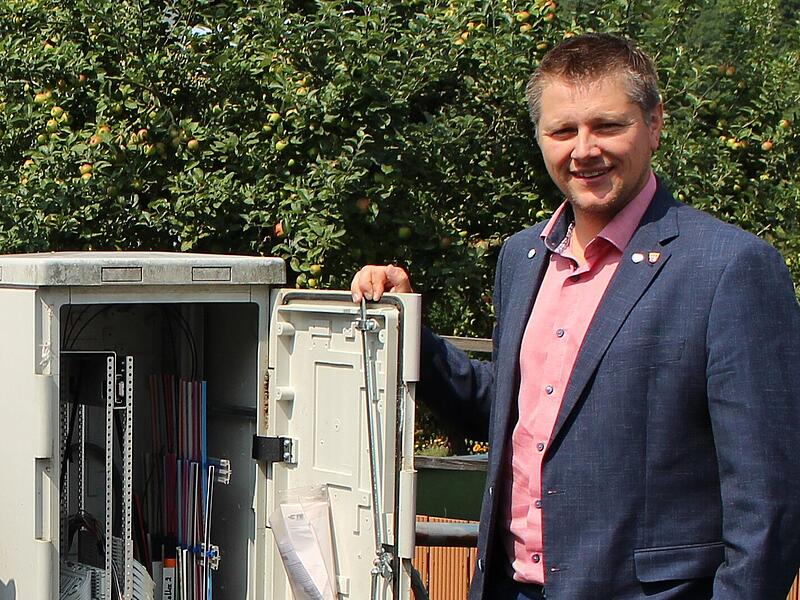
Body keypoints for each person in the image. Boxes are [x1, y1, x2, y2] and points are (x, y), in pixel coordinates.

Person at [351, 33, 800, 600]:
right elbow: (514, 414)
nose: (584, 150)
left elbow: (770, 500)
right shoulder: (522, 256)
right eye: (563, 131)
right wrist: (407, 327)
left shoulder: (731, 269)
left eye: (608, 126)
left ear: (655, 123)